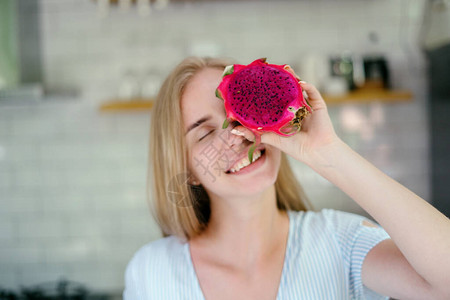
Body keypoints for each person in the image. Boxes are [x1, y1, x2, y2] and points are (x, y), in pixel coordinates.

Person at [123, 57, 450, 300]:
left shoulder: (342, 243)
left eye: (242, 114)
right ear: (187, 170)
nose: (236, 136)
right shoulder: (151, 271)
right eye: (205, 133)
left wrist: (328, 152)